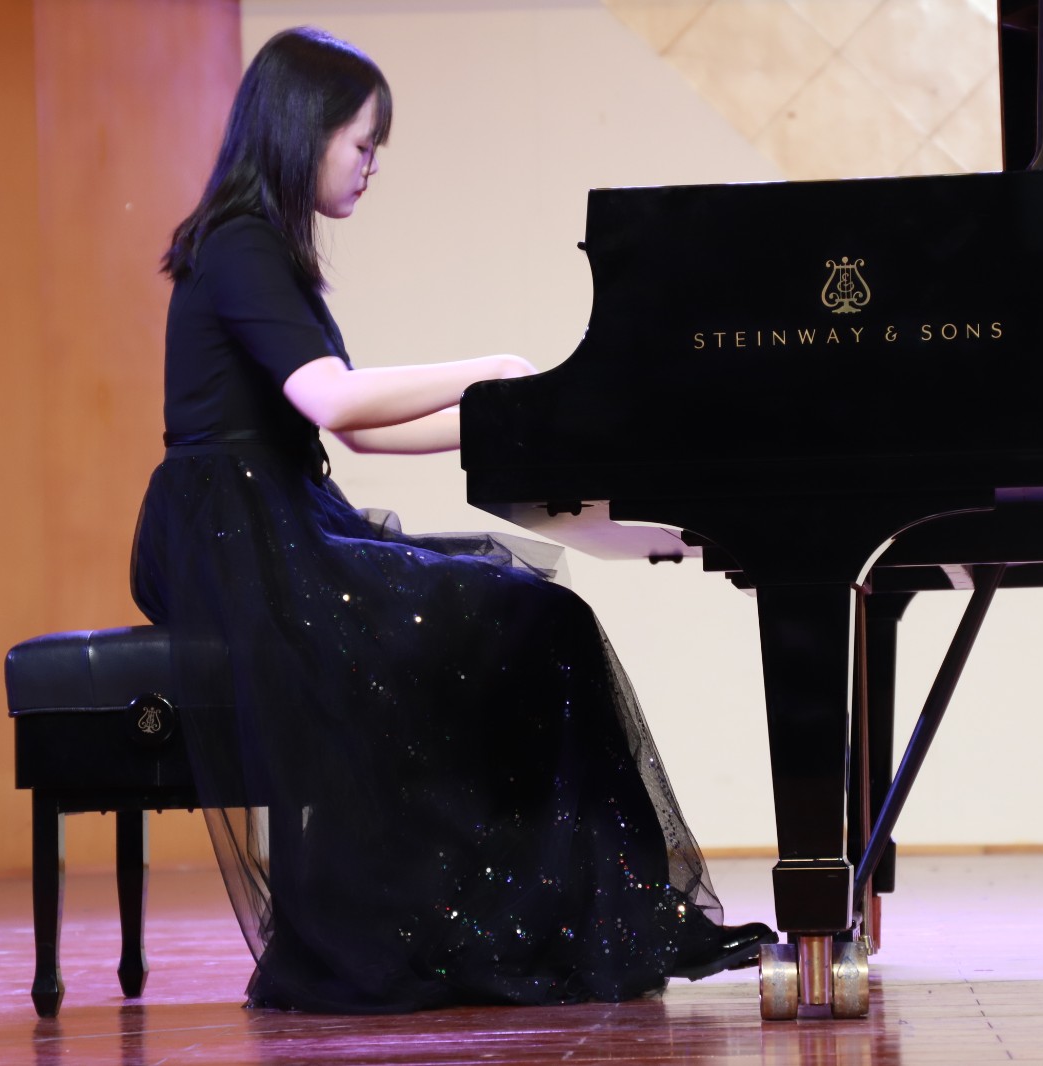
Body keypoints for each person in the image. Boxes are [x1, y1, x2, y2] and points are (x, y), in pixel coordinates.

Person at [131, 25, 774, 1014]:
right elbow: (333, 400)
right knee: (528, 622)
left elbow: (363, 432)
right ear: (303, 132)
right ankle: (516, 921)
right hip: (239, 540)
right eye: (362, 142)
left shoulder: (258, 248)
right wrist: (494, 367)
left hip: (271, 519)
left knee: (526, 618)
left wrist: (511, 411)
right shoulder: (240, 244)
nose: (371, 164)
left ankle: (527, 915)